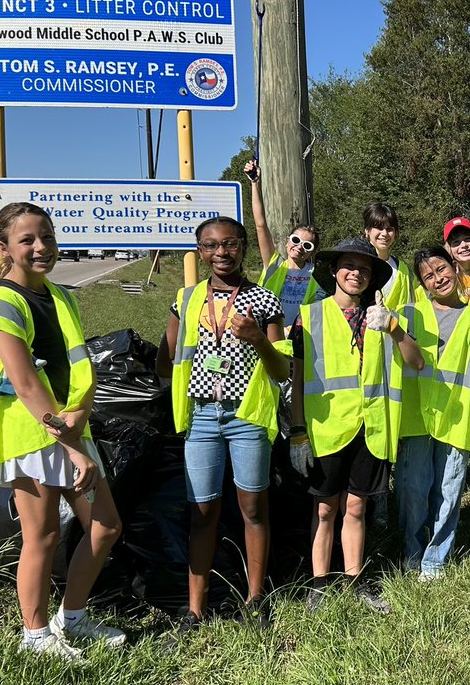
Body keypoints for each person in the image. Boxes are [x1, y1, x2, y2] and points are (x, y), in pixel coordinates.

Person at [0, 202, 123, 660]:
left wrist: (83, 413)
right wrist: (75, 448)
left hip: (68, 427)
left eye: (47, 237)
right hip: (32, 434)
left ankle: (71, 619)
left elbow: (77, 365)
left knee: (106, 525)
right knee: (44, 536)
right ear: (4, 248)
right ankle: (34, 636)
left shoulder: (62, 296)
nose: (41, 247)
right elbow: (27, 383)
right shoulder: (1, 302)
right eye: (27, 240)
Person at [157, 216, 289, 631]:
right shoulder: (187, 299)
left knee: (253, 508)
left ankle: (255, 600)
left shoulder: (264, 300)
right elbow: (167, 359)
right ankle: (194, 610)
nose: (221, 253)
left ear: (243, 248)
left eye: (230, 244)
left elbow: (282, 371)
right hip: (201, 419)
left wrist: (258, 340)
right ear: (200, 251)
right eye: (211, 246)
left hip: (247, 417)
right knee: (202, 510)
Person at [288, 237, 424, 613]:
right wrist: (297, 431)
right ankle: (318, 584)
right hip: (327, 427)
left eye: (364, 269)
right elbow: (298, 377)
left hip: (371, 428)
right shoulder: (310, 316)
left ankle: (355, 580)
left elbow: (417, 362)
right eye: (349, 266)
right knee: (324, 510)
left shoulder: (383, 316)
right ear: (334, 271)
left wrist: (394, 328)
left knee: (356, 508)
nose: (356, 274)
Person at [398, 246, 470, 579]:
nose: (438, 278)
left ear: (454, 267)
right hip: (417, 415)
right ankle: (412, 552)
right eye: (429, 275)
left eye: (442, 269)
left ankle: (435, 559)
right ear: (422, 283)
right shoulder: (409, 314)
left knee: (449, 490)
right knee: (413, 489)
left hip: (456, 414)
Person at [243, 159, 321, 330]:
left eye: (307, 246)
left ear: (312, 252)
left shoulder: (317, 274)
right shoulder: (274, 263)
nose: (300, 247)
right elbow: (260, 225)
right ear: (287, 242)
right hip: (269, 337)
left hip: (302, 339)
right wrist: (255, 183)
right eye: (296, 240)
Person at [363, 202, 423, 310]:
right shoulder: (358, 267)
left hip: (400, 326)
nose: (385, 233)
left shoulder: (404, 271)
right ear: (367, 231)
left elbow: (418, 301)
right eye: (379, 227)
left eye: (389, 229)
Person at [443, 217, 470, 308]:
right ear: (449, 248)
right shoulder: (443, 281)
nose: (464, 245)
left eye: (468, 239)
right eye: (456, 242)